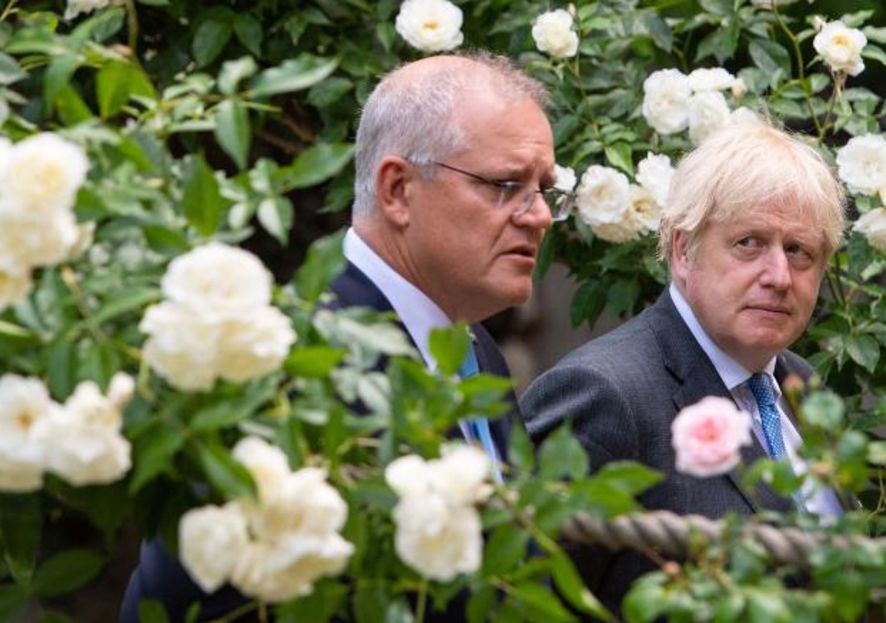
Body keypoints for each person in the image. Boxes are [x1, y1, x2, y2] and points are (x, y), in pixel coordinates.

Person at [120, 51, 570, 623]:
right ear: (398, 189)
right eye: (507, 185)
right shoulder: (286, 358)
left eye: (543, 189)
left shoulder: (476, 350)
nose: (539, 216)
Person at [521, 118, 847, 611]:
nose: (779, 276)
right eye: (749, 243)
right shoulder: (604, 397)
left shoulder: (802, 385)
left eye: (799, 251)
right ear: (682, 251)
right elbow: (528, 605)